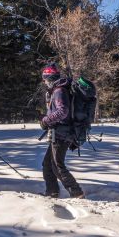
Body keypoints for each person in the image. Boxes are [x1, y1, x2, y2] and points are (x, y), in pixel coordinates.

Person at [39, 65, 85, 199]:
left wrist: (46, 120)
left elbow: (62, 111)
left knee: (56, 165)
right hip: (59, 132)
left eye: (45, 79)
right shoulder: (59, 89)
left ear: (49, 78)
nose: (44, 82)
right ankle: (52, 192)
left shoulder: (59, 90)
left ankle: (77, 193)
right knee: (48, 164)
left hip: (62, 133)